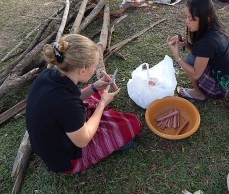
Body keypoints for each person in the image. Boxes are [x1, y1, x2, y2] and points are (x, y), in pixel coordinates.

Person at [26, 34, 142, 174]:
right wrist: (102, 104)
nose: (95, 70)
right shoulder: (68, 105)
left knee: (94, 93)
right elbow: (83, 141)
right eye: (94, 66)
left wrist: (94, 88)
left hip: (49, 142)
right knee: (131, 124)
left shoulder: (48, 74)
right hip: (66, 161)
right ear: (82, 70)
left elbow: (71, 98)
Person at [167, 0, 229, 101]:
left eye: (192, 19)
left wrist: (177, 56)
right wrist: (186, 44)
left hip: (220, 90)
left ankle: (198, 94)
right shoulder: (216, 28)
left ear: (206, 19)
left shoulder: (207, 42)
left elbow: (196, 74)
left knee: (190, 60)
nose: (187, 22)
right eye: (186, 17)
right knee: (193, 57)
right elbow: (204, 52)